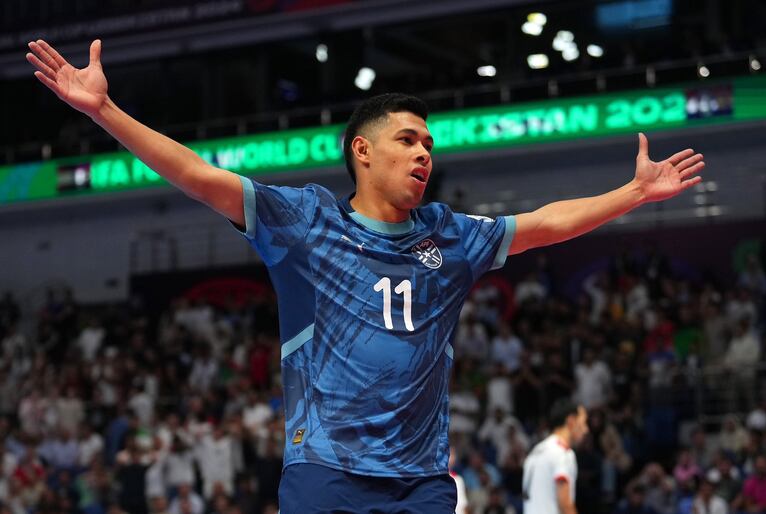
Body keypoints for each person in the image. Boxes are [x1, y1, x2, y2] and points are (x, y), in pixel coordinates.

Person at [26, 38, 705, 514]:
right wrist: (103, 112)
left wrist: (633, 196)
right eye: (408, 140)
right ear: (362, 150)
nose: (423, 154)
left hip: (421, 483)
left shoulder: (450, 234)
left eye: (429, 145)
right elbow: (199, 177)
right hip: (326, 474)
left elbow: (546, 224)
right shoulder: (304, 222)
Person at [522, 398, 588, 514]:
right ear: (571, 421)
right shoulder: (562, 452)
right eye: (583, 423)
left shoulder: (535, 452)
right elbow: (565, 504)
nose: (586, 430)